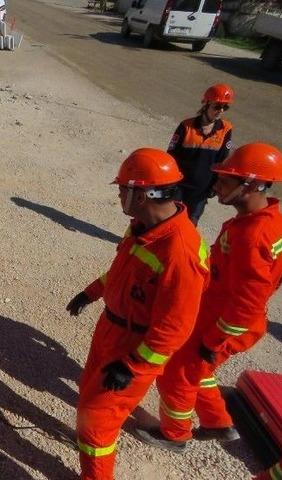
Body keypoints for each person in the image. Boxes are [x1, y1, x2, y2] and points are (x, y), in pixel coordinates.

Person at [65, 148, 209, 480]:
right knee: (89, 391)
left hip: (134, 345)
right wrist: (91, 292)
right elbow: (121, 272)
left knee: (97, 424)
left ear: (142, 193)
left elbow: (175, 328)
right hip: (111, 329)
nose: (118, 196)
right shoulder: (141, 227)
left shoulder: (180, 253)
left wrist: (132, 365)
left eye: (122, 190)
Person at [135, 143, 282, 451]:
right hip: (223, 315)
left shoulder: (253, 235)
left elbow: (248, 302)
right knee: (198, 370)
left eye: (226, 180)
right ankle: (218, 423)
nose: (216, 185)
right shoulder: (268, 223)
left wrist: (213, 341)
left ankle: (174, 434)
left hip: (225, 323)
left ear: (253, 185)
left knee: (177, 370)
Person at [167, 83, 235, 225]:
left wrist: (216, 185)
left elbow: (222, 161)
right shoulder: (186, 126)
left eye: (225, 107)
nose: (220, 111)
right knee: (169, 220)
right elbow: (171, 155)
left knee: (190, 225)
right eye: (217, 106)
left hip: (202, 189)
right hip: (179, 185)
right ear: (206, 105)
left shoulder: (226, 129)